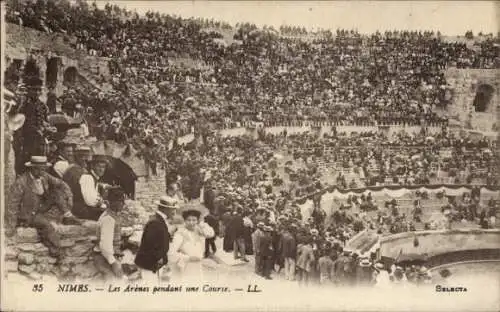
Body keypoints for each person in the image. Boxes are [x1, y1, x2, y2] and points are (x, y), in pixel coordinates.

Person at [7, 156, 81, 258]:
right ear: (32, 168)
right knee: (46, 226)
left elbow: (61, 183)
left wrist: (69, 195)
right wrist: (12, 225)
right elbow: (12, 205)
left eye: (44, 169)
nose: (42, 171)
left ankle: (68, 216)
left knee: (57, 193)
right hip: (29, 212)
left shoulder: (44, 176)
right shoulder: (21, 182)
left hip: (41, 207)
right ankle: (56, 252)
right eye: (39, 169)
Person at [135, 196, 179, 283]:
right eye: (173, 209)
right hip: (150, 265)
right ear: (165, 209)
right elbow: (150, 245)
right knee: (151, 289)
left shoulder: (158, 220)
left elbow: (158, 239)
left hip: (154, 264)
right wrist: (159, 258)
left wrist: (168, 234)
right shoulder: (155, 222)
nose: (174, 212)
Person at [169, 208, 215, 281]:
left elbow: (211, 234)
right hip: (185, 267)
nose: (191, 223)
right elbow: (171, 253)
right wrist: (188, 258)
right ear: (184, 221)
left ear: (197, 221)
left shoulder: (199, 231)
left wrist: (202, 223)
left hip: (197, 267)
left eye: (194, 220)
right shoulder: (180, 233)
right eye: (188, 220)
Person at [63, 148, 106, 221]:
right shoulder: (82, 174)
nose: (85, 159)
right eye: (81, 156)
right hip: (79, 208)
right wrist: (100, 202)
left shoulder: (84, 172)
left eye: (86, 156)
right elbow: (90, 200)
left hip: (79, 205)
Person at [93, 187, 126, 280]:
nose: (123, 204)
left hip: (107, 257)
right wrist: (114, 263)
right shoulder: (109, 219)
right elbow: (105, 246)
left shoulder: (110, 214)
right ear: (113, 202)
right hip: (104, 259)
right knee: (115, 284)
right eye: (121, 201)